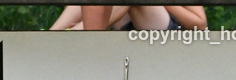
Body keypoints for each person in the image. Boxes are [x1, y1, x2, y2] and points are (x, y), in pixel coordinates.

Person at [50, 5, 207, 31]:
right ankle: (52, 35)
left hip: (168, 35)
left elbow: (199, 23)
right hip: (126, 28)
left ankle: (77, 32)